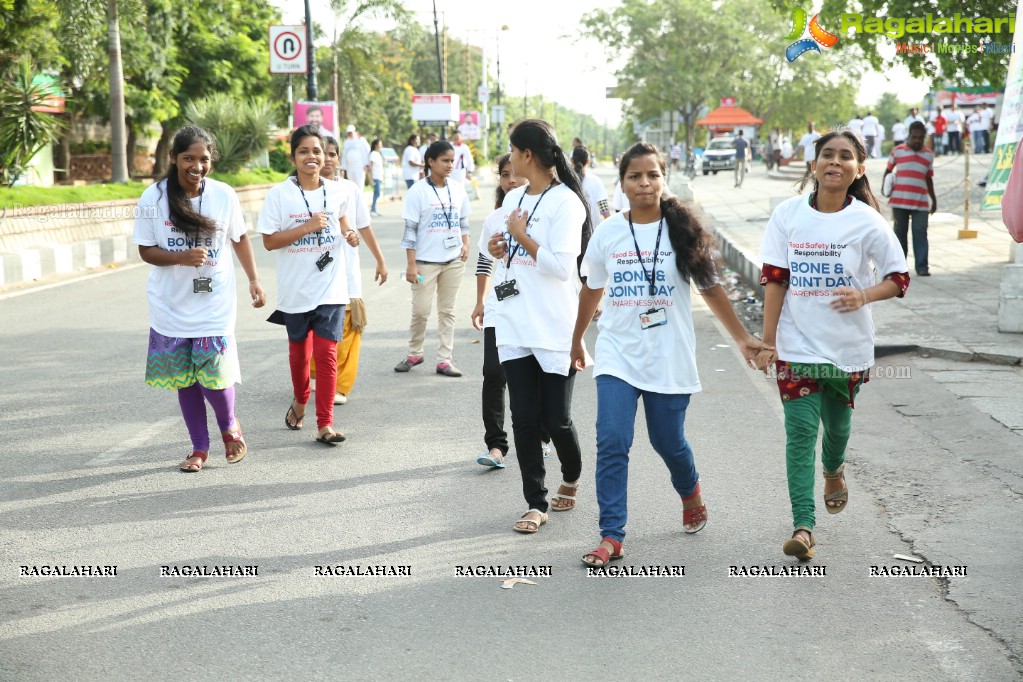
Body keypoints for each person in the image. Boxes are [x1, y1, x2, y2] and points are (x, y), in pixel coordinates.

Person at [571, 142, 769, 566]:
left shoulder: (682, 231)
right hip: (617, 353)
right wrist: (577, 340)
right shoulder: (608, 232)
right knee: (612, 441)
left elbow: (711, 288)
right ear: (621, 183)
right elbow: (592, 288)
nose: (644, 183)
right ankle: (612, 535)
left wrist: (741, 338)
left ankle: (690, 487)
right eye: (634, 176)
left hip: (669, 354)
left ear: (664, 178)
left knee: (668, 442)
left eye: (652, 175)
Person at [758, 130, 910, 560]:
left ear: (859, 169)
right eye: (827, 154)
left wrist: (863, 294)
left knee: (837, 430)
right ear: (813, 165)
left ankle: (834, 469)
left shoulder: (866, 221)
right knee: (800, 432)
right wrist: (769, 342)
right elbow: (775, 279)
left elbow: (898, 279)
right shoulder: (787, 215)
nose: (835, 162)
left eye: (846, 157)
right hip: (796, 347)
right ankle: (803, 524)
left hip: (847, 350)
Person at [134, 126, 267, 472]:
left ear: (211, 160)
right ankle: (199, 448)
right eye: (189, 158)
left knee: (215, 373)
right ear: (173, 158)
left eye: (204, 159)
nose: (197, 165)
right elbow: (146, 250)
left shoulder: (224, 194)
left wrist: (254, 280)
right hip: (170, 304)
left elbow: (239, 238)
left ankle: (229, 425)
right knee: (185, 378)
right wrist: (180, 257)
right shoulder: (153, 198)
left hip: (215, 302)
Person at [485, 118, 592, 534]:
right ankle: (536, 502)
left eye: (513, 151)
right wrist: (502, 245)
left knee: (556, 420)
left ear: (527, 155)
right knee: (524, 419)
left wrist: (522, 236)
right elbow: (510, 252)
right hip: (514, 323)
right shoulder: (516, 197)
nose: (510, 159)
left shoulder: (568, 203)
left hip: (553, 327)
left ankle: (572, 474)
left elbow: (563, 267)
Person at [258, 125, 359, 445]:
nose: (312, 157)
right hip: (295, 290)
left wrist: (349, 234)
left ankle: (325, 424)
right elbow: (270, 242)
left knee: (327, 354)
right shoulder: (279, 195)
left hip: (330, 287)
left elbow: (343, 222)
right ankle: (301, 399)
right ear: (294, 156)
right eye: (304, 151)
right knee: (300, 355)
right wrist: (307, 227)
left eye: (317, 151)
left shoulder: (339, 191)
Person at [471, 154, 552, 468]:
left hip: (534, 307)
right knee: (493, 373)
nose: (511, 181)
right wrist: (480, 300)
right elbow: (483, 260)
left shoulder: (545, 213)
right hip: (500, 306)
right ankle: (496, 446)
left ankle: (542, 438)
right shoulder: (494, 218)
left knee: (537, 374)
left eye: (516, 174)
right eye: (505, 175)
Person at [308, 136, 388, 406]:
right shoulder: (302, 190)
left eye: (332, 154)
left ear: (338, 158)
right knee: (314, 328)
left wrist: (379, 259)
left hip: (346, 271)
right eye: (323, 153)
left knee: (349, 328)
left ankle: (341, 385)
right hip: (311, 273)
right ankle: (319, 375)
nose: (327, 159)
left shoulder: (350, 189)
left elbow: (363, 225)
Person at [396, 140, 472, 377]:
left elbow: (463, 222)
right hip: (424, 263)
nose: (450, 165)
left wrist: (466, 243)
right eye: (445, 160)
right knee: (420, 311)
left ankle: (444, 359)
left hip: (453, 261)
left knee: (447, 311)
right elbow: (410, 231)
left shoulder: (458, 188)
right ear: (431, 162)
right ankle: (415, 352)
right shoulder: (418, 191)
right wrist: (410, 264)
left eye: (452, 160)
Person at [882, 121, 937, 277]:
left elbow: (929, 179)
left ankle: (922, 266)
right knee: (900, 234)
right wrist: (884, 189)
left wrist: (934, 200)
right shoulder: (897, 151)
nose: (917, 140)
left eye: (920, 137)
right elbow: (887, 172)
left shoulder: (928, 155)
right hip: (899, 201)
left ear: (924, 137)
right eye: (914, 137)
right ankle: (899, 268)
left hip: (921, 202)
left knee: (920, 232)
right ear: (909, 135)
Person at [573, 146, 611, 226]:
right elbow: (603, 207)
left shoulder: (565, 181)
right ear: (588, 162)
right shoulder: (595, 181)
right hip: (592, 231)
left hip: (572, 231)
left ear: (572, 160)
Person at [342, 124, 371, 189]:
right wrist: (344, 168)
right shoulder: (346, 142)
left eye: (351, 132)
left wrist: (367, 164)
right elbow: (344, 155)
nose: (350, 134)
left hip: (360, 167)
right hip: (350, 167)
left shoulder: (361, 140)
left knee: (359, 184)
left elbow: (368, 151)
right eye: (348, 133)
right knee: (351, 185)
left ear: (354, 131)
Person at [369, 138, 384, 215]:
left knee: (377, 193)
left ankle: (374, 209)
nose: (381, 146)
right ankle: (372, 209)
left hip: (379, 177)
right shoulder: (373, 154)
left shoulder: (378, 154)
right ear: (376, 145)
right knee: (377, 193)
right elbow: (371, 166)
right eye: (380, 144)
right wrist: (371, 178)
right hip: (375, 177)